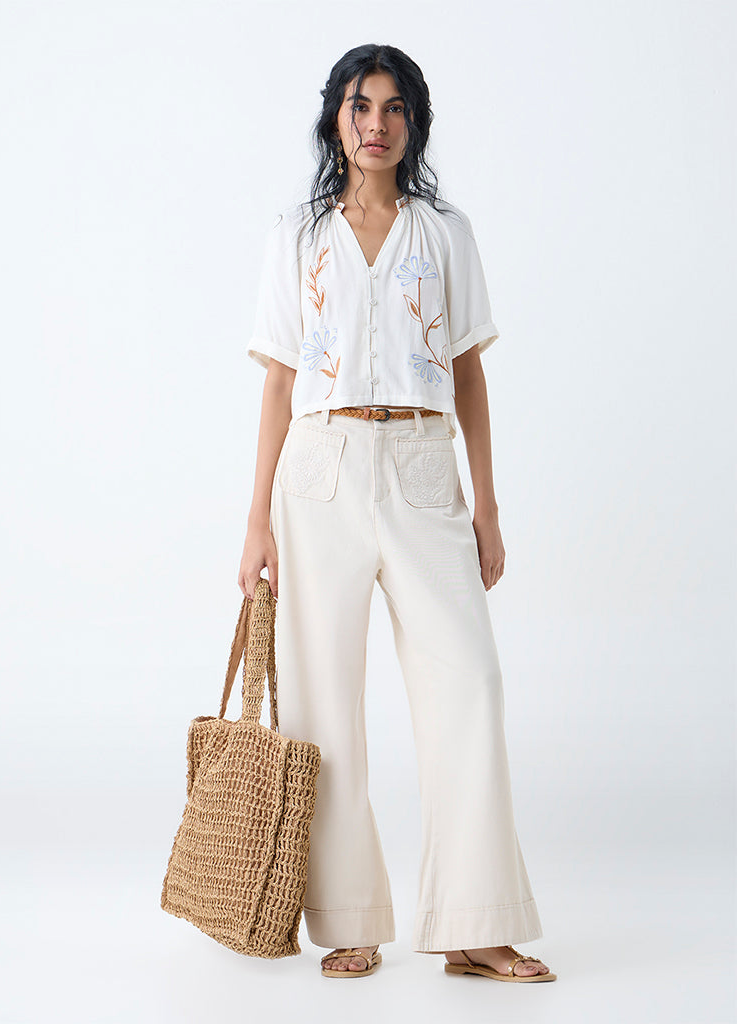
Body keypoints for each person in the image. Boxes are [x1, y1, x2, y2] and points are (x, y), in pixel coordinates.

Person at [238, 43, 556, 984]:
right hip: (319, 472)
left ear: (413, 123)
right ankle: (347, 921)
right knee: (323, 700)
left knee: (471, 685)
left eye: (393, 107)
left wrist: (487, 505)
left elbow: (468, 373)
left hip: (423, 467)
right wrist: (254, 522)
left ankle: (472, 924)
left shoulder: (445, 232)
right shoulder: (296, 235)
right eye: (359, 104)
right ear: (335, 118)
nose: (375, 123)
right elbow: (279, 383)